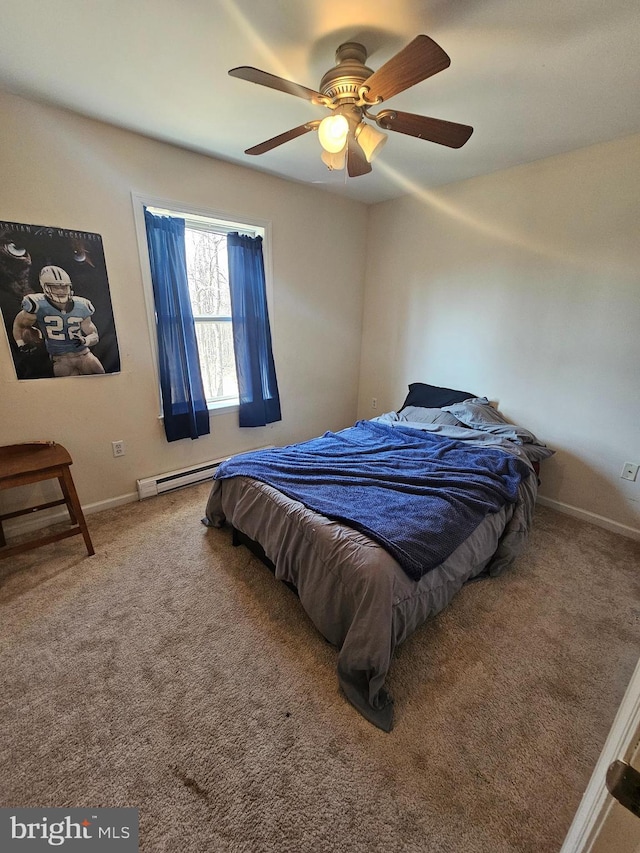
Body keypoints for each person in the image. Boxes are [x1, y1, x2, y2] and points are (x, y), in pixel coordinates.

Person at [12, 265, 105, 376]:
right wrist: (21, 343)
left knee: (102, 380)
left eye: (64, 287)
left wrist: (85, 341)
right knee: (69, 389)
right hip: (61, 359)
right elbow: (20, 326)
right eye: (55, 287)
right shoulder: (36, 304)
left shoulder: (82, 305)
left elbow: (94, 334)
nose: (61, 290)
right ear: (44, 287)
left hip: (84, 355)